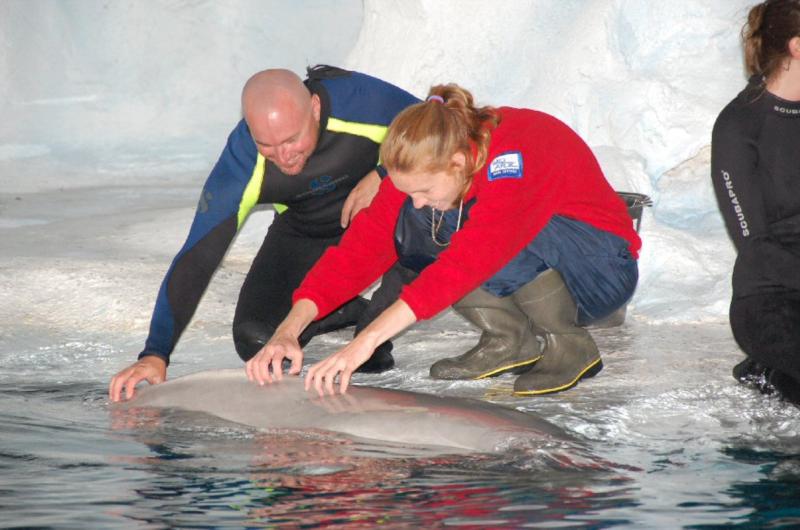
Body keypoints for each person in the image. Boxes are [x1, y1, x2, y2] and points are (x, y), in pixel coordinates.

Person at [246, 84, 641, 397]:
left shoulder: (516, 153)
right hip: (542, 263)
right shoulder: (430, 160)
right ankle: (511, 340)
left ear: (457, 163)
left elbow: (470, 260)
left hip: (599, 271)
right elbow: (359, 251)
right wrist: (289, 328)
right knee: (421, 224)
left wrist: (364, 343)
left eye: (423, 189)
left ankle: (569, 343)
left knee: (469, 233)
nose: (416, 201)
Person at [109, 65, 419, 402]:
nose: (283, 156)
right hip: (307, 229)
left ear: (314, 108)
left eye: (291, 139)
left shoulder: (360, 103)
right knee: (256, 341)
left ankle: (374, 311)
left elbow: (444, 124)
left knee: (370, 356)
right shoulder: (242, 159)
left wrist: (384, 172)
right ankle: (342, 307)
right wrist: (155, 353)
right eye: (266, 145)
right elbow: (198, 255)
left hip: (387, 221)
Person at [711, 0, 800, 405]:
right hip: (770, 297)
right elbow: (756, 248)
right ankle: (768, 368)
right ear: (797, 47)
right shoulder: (740, 126)